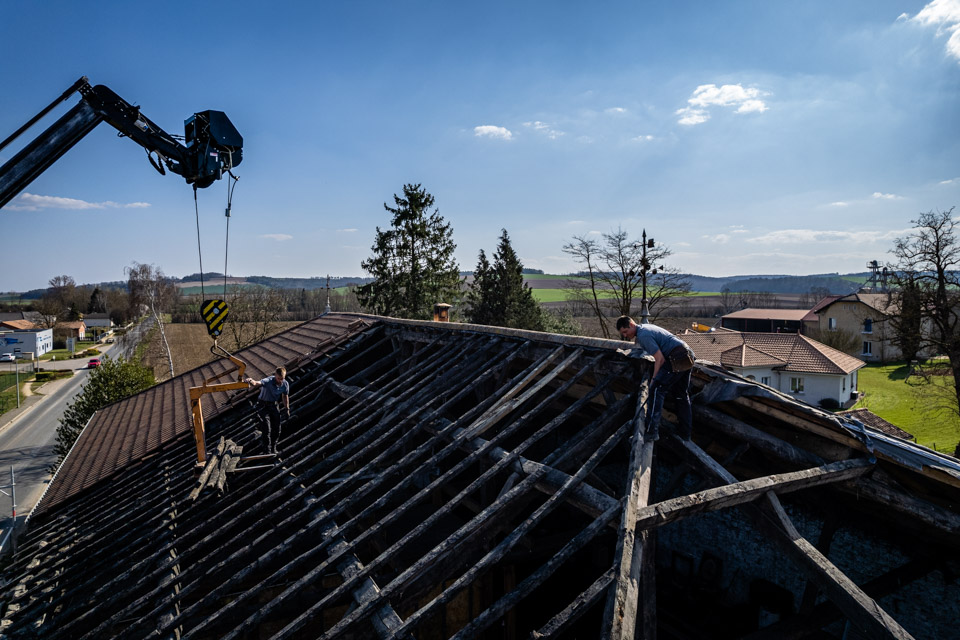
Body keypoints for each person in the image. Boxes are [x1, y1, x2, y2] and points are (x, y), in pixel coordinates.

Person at [616, 316, 694, 441]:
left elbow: (660, 359)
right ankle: (685, 433)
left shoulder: (643, 336)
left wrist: (654, 379)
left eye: (625, 331)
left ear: (631, 324)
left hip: (677, 356)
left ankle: (651, 431)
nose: (625, 335)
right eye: (623, 334)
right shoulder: (646, 328)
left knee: (656, 390)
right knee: (681, 395)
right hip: (687, 353)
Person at [244, 367, 290, 455]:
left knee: (277, 428)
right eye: (278, 378)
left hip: (273, 405)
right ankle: (267, 450)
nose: (280, 381)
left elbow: (285, 396)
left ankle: (273, 447)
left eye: (282, 379)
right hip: (263, 405)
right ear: (275, 375)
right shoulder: (269, 380)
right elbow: (258, 383)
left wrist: (287, 409)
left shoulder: (285, 384)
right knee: (266, 428)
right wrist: (251, 381)